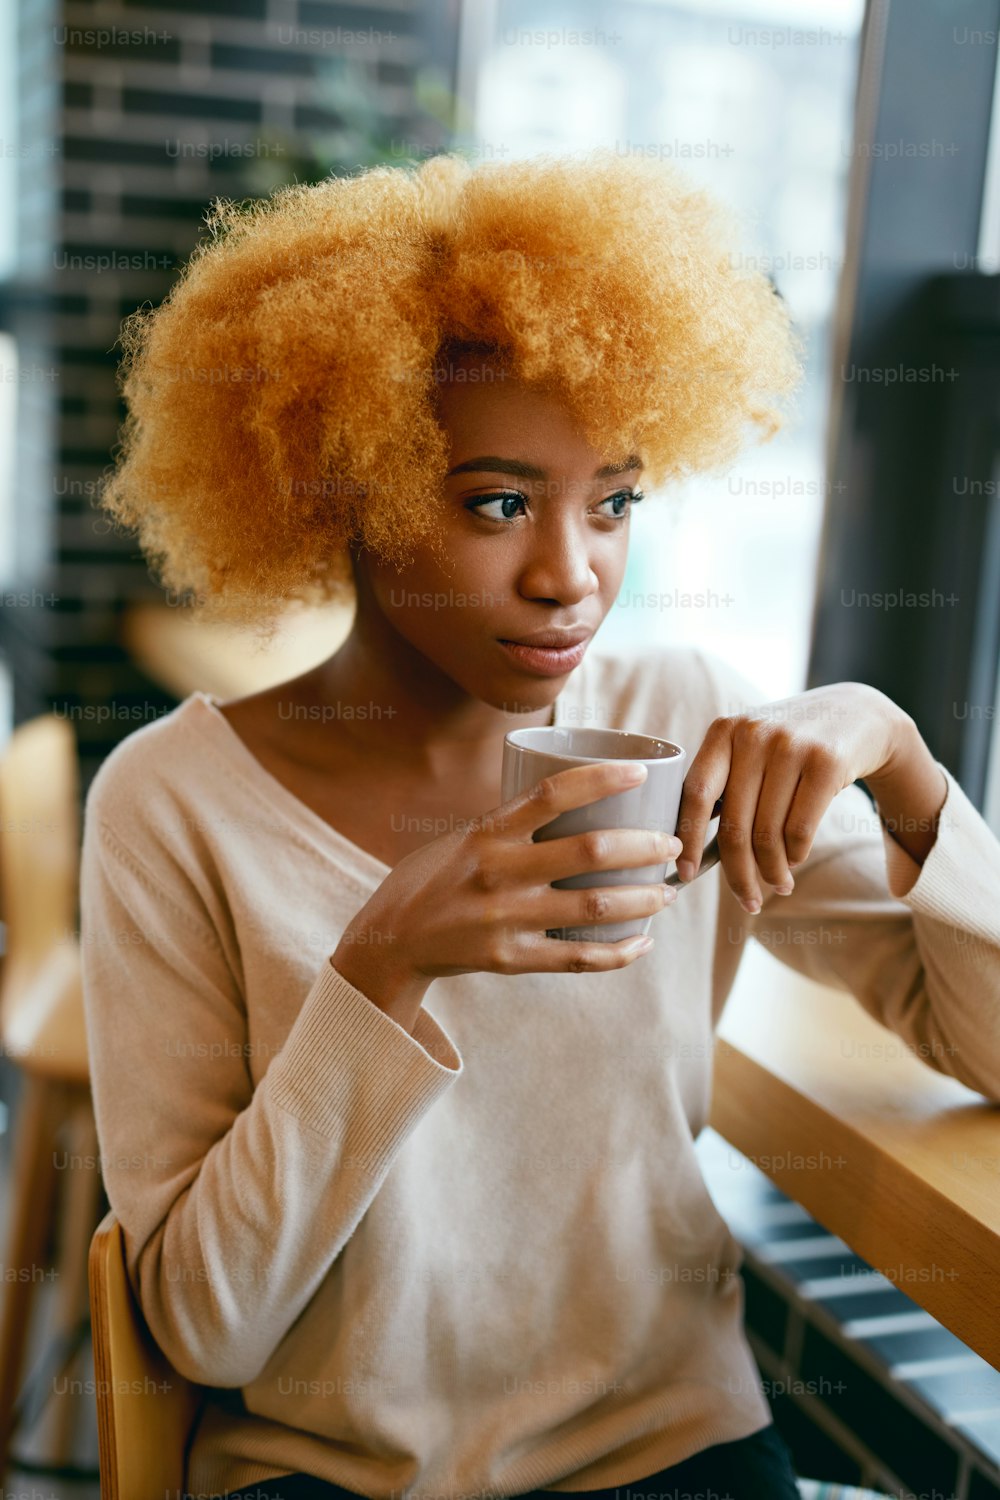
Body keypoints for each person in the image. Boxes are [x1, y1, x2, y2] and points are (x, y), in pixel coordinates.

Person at [80, 152, 1000, 1500]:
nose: (573, 575)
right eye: (497, 504)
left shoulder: (677, 723)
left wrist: (907, 765)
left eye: (615, 501)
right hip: (337, 1475)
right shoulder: (173, 806)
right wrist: (383, 965)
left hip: (674, 1446)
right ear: (350, 486)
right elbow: (206, 1326)